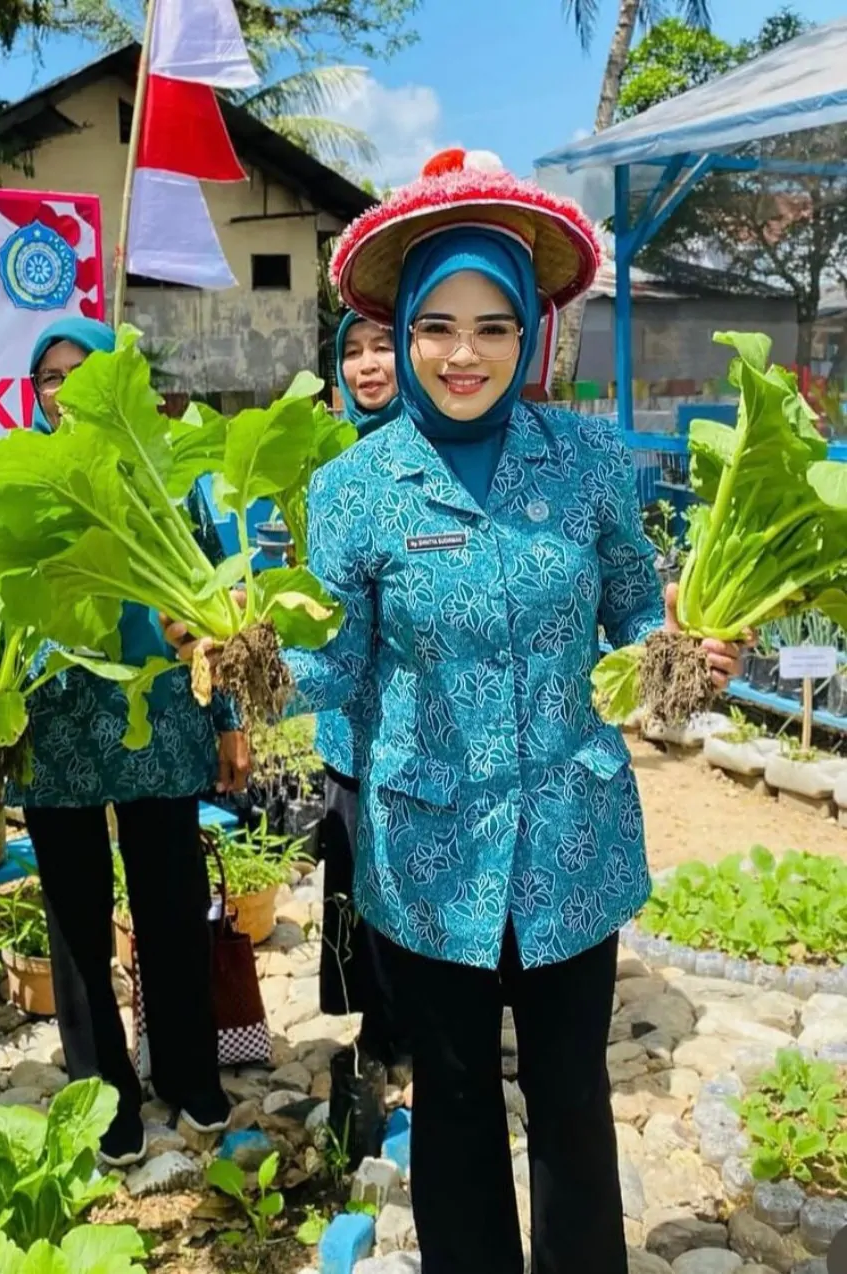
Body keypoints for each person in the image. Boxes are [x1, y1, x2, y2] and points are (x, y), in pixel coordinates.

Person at [168, 150, 744, 1274]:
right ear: (402, 335)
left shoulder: (584, 458)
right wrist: (244, 658)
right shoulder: (356, 486)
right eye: (436, 327)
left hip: (572, 834)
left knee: (571, 1094)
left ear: (528, 333)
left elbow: (633, 610)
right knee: (456, 1095)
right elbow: (333, 668)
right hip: (427, 847)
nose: (462, 353)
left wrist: (681, 650)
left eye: (491, 327)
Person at [17, 317, 246, 1167]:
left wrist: (229, 718)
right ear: (33, 393)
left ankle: (188, 1071)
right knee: (76, 917)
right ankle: (101, 1090)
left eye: (83, 374)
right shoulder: (19, 479)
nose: (65, 391)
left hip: (161, 719)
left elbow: (218, 599)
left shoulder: (163, 474)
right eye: (50, 377)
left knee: (171, 905)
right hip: (58, 726)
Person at [317, 312, 407, 1073]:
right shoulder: (327, 460)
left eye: (382, 346)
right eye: (351, 351)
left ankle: (431, 1030)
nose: (367, 365)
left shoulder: (440, 454)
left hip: (421, 723)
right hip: (347, 721)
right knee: (359, 880)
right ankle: (380, 1030)